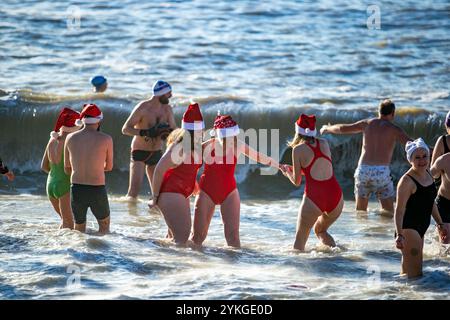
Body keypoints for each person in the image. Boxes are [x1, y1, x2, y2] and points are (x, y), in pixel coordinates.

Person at [191, 114, 282, 248]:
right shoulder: (206, 146)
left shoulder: (238, 145)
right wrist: (192, 183)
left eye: (232, 137)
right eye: (226, 137)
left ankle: (234, 267)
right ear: (217, 135)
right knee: (198, 238)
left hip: (229, 192)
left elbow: (259, 157)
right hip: (206, 192)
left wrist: (280, 166)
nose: (230, 140)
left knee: (233, 239)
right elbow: (189, 164)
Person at [320, 99, 412, 214]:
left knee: (361, 211)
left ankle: (363, 231)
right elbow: (412, 144)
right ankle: (383, 231)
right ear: (393, 113)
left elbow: (343, 128)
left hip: (363, 170)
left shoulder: (367, 124)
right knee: (388, 212)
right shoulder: (394, 130)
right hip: (381, 172)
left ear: (379, 112)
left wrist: (327, 128)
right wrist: (433, 150)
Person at [282, 114, 343, 251]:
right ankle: (338, 260)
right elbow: (320, 168)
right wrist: (297, 170)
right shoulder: (324, 143)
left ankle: (295, 271)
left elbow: (297, 182)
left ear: (298, 132)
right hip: (336, 197)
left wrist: (287, 172)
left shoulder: (297, 150)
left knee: (299, 244)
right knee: (320, 231)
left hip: (315, 198)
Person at [150, 103, 204, 245]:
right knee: (182, 238)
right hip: (170, 193)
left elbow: (186, 168)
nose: (203, 132)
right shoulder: (179, 146)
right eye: (201, 129)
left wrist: (194, 184)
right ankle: (174, 266)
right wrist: (154, 197)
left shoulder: (196, 145)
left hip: (180, 193)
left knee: (173, 239)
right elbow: (160, 169)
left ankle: (157, 258)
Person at [394, 138, 447, 278]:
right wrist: (399, 235)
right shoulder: (406, 182)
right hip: (408, 229)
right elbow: (399, 211)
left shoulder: (428, 173)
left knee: (409, 270)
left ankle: (396, 293)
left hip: (421, 227)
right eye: (417, 158)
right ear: (410, 159)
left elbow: (430, 202)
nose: (422, 160)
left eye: (425, 156)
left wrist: (440, 223)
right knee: (416, 275)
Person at [122, 80, 176, 201]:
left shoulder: (167, 109)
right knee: (133, 192)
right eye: (169, 93)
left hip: (156, 152)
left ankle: (154, 218)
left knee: (158, 193)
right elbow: (125, 129)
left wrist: (169, 134)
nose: (171, 96)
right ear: (160, 94)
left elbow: (173, 129)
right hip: (139, 151)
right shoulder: (143, 108)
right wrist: (145, 132)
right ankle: (131, 218)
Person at [64, 104, 113, 234]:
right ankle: (100, 254)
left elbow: (67, 168)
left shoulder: (70, 138)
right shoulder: (106, 139)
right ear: (99, 120)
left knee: (79, 229)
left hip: (77, 188)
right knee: (104, 227)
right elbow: (109, 167)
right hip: (96, 188)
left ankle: (81, 253)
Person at [41, 107, 81, 229]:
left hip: (50, 185)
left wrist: (56, 175)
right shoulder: (72, 141)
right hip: (64, 186)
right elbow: (73, 167)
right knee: (69, 224)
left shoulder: (52, 140)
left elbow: (43, 166)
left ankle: (57, 244)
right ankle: (64, 247)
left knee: (66, 222)